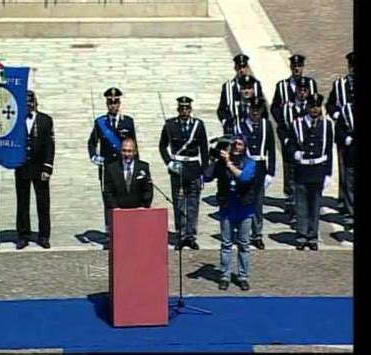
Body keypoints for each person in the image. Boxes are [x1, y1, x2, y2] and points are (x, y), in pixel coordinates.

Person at [204, 134, 256, 291]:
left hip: (244, 208)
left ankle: (243, 276)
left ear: (244, 147)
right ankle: (225, 276)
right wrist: (215, 159)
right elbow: (206, 177)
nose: (236, 147)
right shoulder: (221, 163)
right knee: (226, 244)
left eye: (240, 144)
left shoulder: (250, 163)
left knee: (244, 244)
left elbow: (244, 178)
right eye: (234, 144)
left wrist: (228, 163)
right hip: (227, 207)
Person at [159, 96, 209, 250]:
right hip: (178, 168)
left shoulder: (198, 125)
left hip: (193, 166)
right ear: (178, 109)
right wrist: (169, 162)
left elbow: (204, 149)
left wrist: (204, 172)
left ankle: (191, 235)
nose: (184, 111)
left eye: (187, 108)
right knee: (179, 203)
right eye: (182, 109)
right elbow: (162, 146)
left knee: (193, 203)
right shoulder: (170, 125)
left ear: (190, 110)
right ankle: (181, 234)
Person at [287, 93, 333, 251]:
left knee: (315, 206)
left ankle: (312, 237)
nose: (314, 109)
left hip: (318, 169)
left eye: (317, 106)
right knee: (301, 205)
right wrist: (295, 154)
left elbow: (328, 150)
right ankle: (301, 235)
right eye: (312, 106)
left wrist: (328, 173)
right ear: (307, 107)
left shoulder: (327, 125)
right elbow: (291, 144)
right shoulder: (297, 124)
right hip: (302, 169)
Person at [88, 87, 138, 229]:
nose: (113, 106)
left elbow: (134, 144)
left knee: (126, 196)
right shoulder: (100, 122)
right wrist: (94, 157)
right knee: (109, 198)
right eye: (110, 103)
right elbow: (92, 142)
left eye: (115, 103)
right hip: (108, 166)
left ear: (119, 104)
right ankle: (110, 230)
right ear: (107, 104)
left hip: (124, 165)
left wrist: (137, 164)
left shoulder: (127, 122)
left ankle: (126, 229)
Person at [15, 90, 55, 250]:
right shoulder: (17, 120)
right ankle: (23, 235)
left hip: (40, 168)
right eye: (25, 102)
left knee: (43, 203)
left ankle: (44, 235)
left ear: (35, 102)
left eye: (31, 102)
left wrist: (47, 167)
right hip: (22, 166)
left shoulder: (45, 120)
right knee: (22, 203)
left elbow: (50, 146)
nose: (28, 105)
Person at [236, 97, 275, 250]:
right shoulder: (240, 125)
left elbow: (271, 150)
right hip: (245, 165)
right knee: (243, 200)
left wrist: (270, 172)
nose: (255, 112)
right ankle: (241, 232)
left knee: (258, 203)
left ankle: (257, 234)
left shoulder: (266, 125)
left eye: (258, 110)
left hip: (259, 167)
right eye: (253, 109)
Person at [273, 76, 311, 221]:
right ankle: (294, 207)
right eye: (299, 90)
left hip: (308, 151)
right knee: (291, 177)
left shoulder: (311, 107)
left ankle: (304, 209)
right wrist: (287, 141)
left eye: (304, 90)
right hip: (291, 148)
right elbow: (281, 127)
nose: (302, 93)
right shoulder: (288, 108)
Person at [326, 51, 354, 213]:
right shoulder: (339, 85)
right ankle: (344, 200)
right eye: (351, 66)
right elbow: (330, 105)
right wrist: (337, 115)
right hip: (344, 132)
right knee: (344, 167)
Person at [217, 54, 264, 131]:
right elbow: (221, 109)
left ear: (247, 67)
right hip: (233, 126)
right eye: (239, 67)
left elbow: (262, 106)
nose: (242, 70)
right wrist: (226, 122)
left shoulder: (256, 84)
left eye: (244, 67)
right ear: (235, 68)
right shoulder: (228, 86)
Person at [103, 138, 153, 209]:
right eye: (124, 151)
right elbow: (108, 192)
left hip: (138, 211)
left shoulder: (143, 167)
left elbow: (148, 190)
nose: (126, 154)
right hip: (118, 211)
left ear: (135, 152)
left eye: (129, 151)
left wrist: (143, 206)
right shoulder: (111, 169)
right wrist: (115, 207)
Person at [270, 54, 317, 118]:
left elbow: (316, 103)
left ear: (303, 67)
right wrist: (283, 121)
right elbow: (275, 108)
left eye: (299, 66)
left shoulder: (310, 83)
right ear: (291, 67)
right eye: (294, 66)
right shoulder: (281, 85)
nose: (296, 68)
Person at [335, 102, 354, 231]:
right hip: (352, 153)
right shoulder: (347, 110)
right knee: (350, 185)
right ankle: (351, 215)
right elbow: (339, 129)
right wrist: (346, 138)